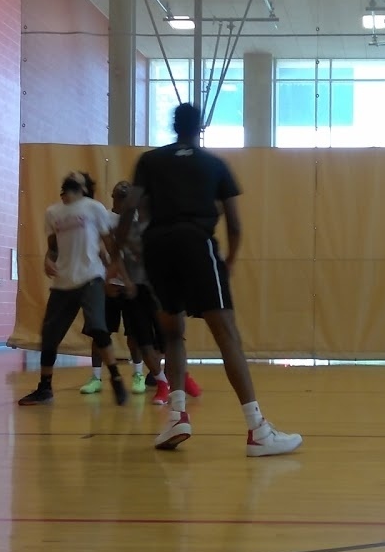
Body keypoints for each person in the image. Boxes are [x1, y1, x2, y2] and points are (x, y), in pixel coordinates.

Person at [120, 103, 301, 456]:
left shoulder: (150, 161)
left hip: (157, 249)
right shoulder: (214, 164)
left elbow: (129, 210)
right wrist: (229, 261)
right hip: (195, 245)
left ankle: (177, 415)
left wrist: (114, 260)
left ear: (173, 126)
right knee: (227, 336)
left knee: (172, 334)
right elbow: (233, 223)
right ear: (200, 126)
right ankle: (257, 430)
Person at [79, 181, 203, 403]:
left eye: (129, 198)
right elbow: (105, 250)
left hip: (148, 287)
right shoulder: (107, 220)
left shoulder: (149, 223)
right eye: (120, 196)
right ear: (113, 196)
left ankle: (171, 376)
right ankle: (102, 377)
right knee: (108, 332)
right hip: (120, 285)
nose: (124, 201)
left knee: (161, 337)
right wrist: (111, 274)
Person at [19, 172, 128, 407]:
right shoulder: (53, 212)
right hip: (62, 283)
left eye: (77, 176)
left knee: (99, 328)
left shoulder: (93, 208)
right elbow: (53, 247)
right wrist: (48, 258)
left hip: (91, 277)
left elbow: (109, 243)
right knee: (49, 336)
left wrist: (113, 272)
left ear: (85, 187)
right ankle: (45, 388)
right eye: (69, 175)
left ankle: (117, 379)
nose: (71, 175)